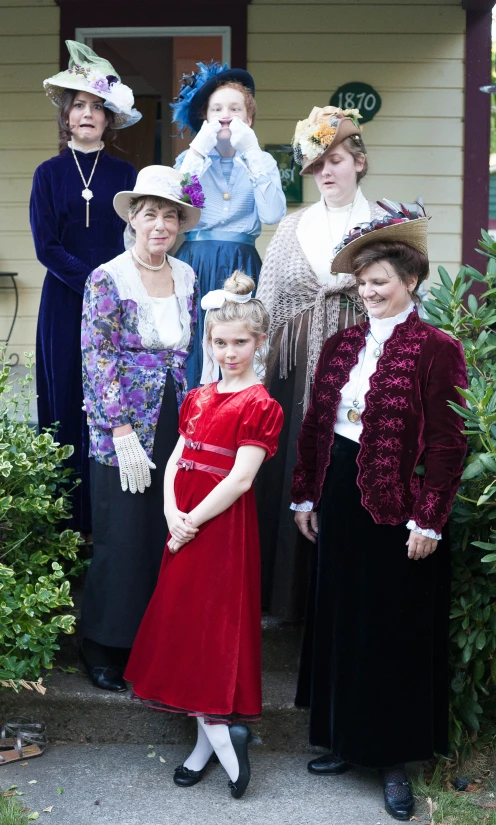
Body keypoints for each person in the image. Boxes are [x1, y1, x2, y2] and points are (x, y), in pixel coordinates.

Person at [291, 203, 468, 821]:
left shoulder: (436, 348)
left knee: (393, 626)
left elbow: (449, 441)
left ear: (411, 281)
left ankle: (394, 762)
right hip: (341, 491)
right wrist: (307, 491)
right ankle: (345, 740)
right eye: (362, 283)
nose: (368, 292)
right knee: (343, 614)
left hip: (398, 504)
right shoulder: (342, 344)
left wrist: (430, 517)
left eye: (380, 282)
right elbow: (317, 424)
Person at [125, 273, 283, 799]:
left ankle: (221, 738)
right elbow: (177, 457)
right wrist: (172, 509)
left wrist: (193, 521)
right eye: (219, 342)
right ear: (208, 343)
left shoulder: (262, 405)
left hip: (221, 530)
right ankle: (205, 743)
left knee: (212, 627)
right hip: (184, 521)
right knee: (186, 625)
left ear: (259, 342)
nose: (229, 352)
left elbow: (240, 478)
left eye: (240, 342)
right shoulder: (197, 396)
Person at [255, 105, 388, 620]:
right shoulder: (292, 228)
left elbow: (399, 301)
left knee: (341, 469)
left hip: (357, 369)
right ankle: (282, 597)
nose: (325, 172)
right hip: (290, 373)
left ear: (358, 161)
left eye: (334, 160)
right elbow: (267, 306)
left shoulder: (382, 225)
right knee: (290, 467)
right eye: (315, 164)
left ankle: (329, 600)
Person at [79, 165, 202, 692]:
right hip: (122, 424)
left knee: (160, 530)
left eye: (170, 216)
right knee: (121, 533)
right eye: (150, 213)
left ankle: (150, 641)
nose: (160, 224)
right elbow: (97, 356)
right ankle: (102, 646)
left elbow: (191, 351)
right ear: (132, 218)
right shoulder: (108, 277)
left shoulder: (188, 276)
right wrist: (121, 426)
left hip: (174, 416)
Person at [30, 40, 140, 534]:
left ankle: (109, 518)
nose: (88, 113)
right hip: (64, 302)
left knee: (111, 397)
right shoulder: (48, 174)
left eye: (98, 106)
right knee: (68, 399)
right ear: (66, 116)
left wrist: (112, 286)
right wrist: (94, 281)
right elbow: (47, 247)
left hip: (117, 303)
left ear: (109, 117)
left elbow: (137, 239)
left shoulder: (125, 174)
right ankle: (66, 524)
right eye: (79, 105)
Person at [171, 61, 286, 387]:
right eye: (217, 108)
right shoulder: (190, 161)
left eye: (235, 109)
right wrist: (198, 150)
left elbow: (272, 214)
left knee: (239, 345)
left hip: (241, 264)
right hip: (195, 261)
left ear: (248, 120)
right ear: (205, 118)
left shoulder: (260, 162)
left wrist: (252, 152)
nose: (225, 114)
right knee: (195, 348)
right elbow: (176, 205)